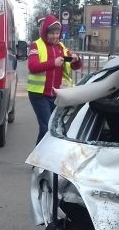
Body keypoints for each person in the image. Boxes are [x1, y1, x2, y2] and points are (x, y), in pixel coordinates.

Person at [27, 14, 82, 145]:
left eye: (57, 33)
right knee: (46, 127)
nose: (55, 36)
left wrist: (76, 59)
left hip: (56, 94)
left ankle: (43, 159)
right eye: (52, 33)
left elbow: (76, 67)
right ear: (45, 32)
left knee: (53, 128)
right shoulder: (36, 46)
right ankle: (38, 160)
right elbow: (32, 66)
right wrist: (53, 63)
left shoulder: (62, 48)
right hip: (39, 94)